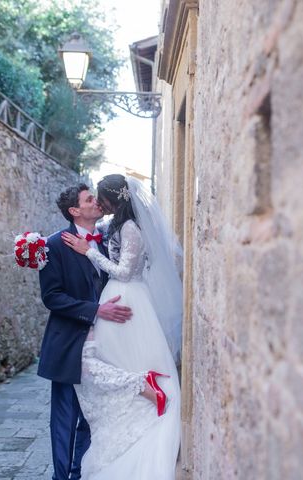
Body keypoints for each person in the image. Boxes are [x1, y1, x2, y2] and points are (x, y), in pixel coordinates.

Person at [61, 174, 182, 479]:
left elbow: (126, 272)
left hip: (127, 298)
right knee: (104, 360)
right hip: (115, 297)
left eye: (101, 198)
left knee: (103, 360)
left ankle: (148, 389)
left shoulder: (131, 229)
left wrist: (87, 252)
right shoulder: (115, 226)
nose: (98, 204)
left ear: (115, 199)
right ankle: (144, 388)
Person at [38, 184, 133, 480]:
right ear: (75, 211)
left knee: (94, 416)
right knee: (66, 417)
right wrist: (95, 311)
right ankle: (61, 476)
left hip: (107, 341)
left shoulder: (106, 240)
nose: (97, 202)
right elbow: (52, 296)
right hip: (69, 343)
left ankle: (81, 472)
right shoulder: (53, 245)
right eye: (90, 199)